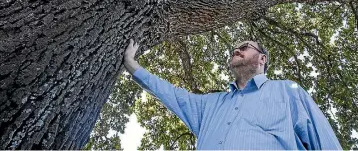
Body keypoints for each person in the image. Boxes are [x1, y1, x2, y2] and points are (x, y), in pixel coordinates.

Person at [124, 39, 342, 150]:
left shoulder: (288, 91)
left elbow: (324, 143)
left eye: (245, 47)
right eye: (235, 49)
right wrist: (133, 66)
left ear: (262, 59)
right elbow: (170, 94)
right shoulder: (208, 106)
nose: (236, 50)